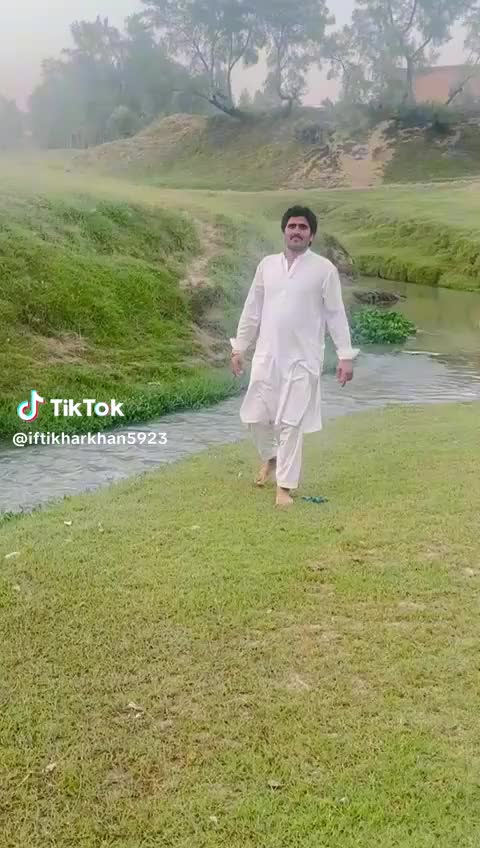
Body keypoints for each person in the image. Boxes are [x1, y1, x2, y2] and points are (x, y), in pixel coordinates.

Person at [230, 205, 359, 507]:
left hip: (303, 360)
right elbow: (252, 310)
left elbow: (335, 314)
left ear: (311, 235)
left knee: (290, 422)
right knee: (253, 416)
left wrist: (345, 355)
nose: (297, 231)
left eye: (303, 227)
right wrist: (239, 348)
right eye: (292, 226)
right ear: (284, 231)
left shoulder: (324, 269)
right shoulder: (267, 266)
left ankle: (284, 488)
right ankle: (271, 457)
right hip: (267, 356)